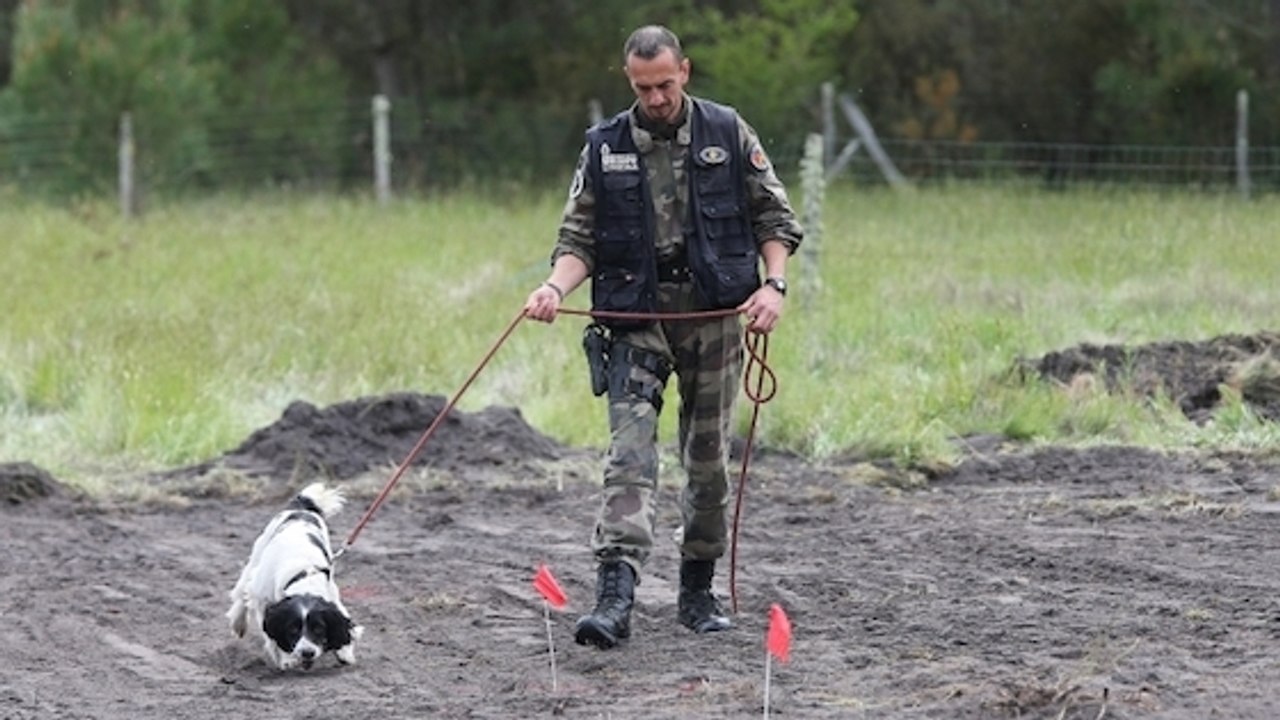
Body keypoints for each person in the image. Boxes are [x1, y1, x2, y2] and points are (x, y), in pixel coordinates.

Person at [523, 24, 803, 650]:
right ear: (629, 80)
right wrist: (552, 289)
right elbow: (578, 240)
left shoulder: (728, 133)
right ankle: (615, 597)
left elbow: (774, 218)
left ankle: (697, 593)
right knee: (629, 457)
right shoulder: (604, 146)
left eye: (666, 84)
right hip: (634, 320)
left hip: (713, 317)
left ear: (686, 71)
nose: (656, 98)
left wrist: (773, 287)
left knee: (707, 464)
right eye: (644, 87)